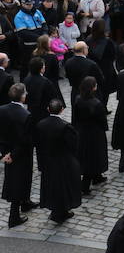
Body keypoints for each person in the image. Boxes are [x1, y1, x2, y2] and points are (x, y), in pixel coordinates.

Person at [34, 98, 82, 223]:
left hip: (47, 161)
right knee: (62, 187)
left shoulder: (40, 125)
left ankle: (56, 210)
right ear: (62, 110)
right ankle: (60, 212)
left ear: (48, 109)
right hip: (63, 162)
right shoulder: (65, 127)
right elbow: (73, 146)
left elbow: (38, 144)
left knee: (50, 186)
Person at [0, 83, 36, 227]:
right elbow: (25, 141)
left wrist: (4, 153)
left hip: (8, 153)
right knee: (19, 181)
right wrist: (13, 155)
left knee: (14, 180)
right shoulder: (26, 116)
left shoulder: (2, 110)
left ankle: (25, 203)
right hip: (20, 155)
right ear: (22, 97)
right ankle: (14, 217)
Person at [73, 76, 108, 195]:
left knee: (87, 155)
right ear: (93, 88)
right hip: (95, 133)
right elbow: (102, 120)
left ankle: (97, 176)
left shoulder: (78, 99)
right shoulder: (96, 103)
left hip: (82, 131)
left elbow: (75, 117)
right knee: (93, 157)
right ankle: (85, 185)